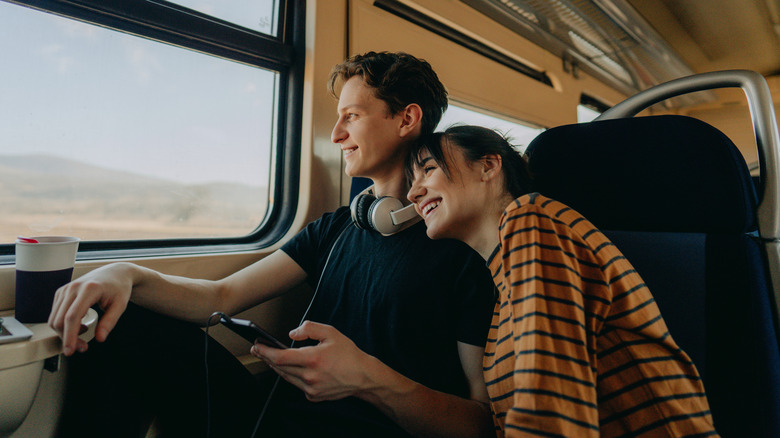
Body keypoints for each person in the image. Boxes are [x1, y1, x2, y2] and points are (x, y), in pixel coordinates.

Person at [49, 52, 496, 438]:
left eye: (352, 116)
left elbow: (483, 424)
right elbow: (220, 298)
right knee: (130, 322)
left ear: (406, 119)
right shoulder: (337, 228)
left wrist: (367, 379)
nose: (337, 134)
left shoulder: (460, 248)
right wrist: (125, 273)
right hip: (278, 422)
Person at [406, 125, 719, 437]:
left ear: (488, 166)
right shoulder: (503, 282)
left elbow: (549, 403)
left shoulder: (531, 222)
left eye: (428, 170)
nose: (412, 193)